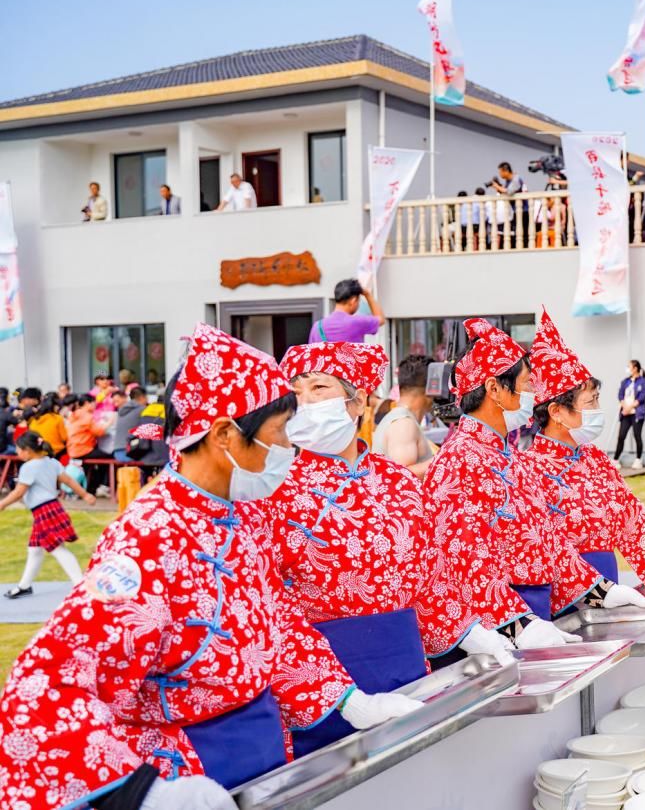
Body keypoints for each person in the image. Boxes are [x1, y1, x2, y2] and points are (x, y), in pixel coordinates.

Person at [0, 324, 418, 810]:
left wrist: (349, 699)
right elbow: (45, 686)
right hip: (189, 773)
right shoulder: (149, 538)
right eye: (279, 431)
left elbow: (275, 621)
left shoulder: (237, 516)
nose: (289, 447)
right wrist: (141, 792)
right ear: (224, 435)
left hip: (262, 755)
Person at [247, 341, 495, 757]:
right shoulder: (270, 488)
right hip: (322, 685)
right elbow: (267, 605)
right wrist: (341, 697)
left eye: (318, 388)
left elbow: (428, 575)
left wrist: (474, 634)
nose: (303, 402)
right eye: (296, 390)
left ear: (358, 400)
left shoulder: (397, 481)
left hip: (405, 666)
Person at [519, 310, 645, 599]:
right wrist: (597, 592)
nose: (597, 409)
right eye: (590, 402)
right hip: (565, 596)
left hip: (612, 587)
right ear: (556, 412)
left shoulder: (594, 458)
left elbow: (631, 518)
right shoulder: (529, 470)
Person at [422, 318, 582, 650]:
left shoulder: (512, 456)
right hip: (497, 629)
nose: (533, 393)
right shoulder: (456, 461)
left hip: (534, 616)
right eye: (526, 384)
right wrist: (517, 625)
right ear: (494, 389)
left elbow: (549, 540)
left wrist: (599, 590)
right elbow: (461, 559)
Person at [0, 432, 94, 599]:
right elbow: (70, 481)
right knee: (35, 549)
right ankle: (25, 585)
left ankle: (81, 585)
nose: (18, 453)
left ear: (28, 450)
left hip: (44, 511)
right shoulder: (52, 462)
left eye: (19, 450)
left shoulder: (28, 467)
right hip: (52, 508)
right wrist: (85, 495)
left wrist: (2, 504)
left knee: (58, 549)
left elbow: (19, 491)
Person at [372, 353, 438, 477]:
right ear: (431, 389)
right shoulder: (403, 423)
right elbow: (401, 476)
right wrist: (446, 459)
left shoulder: (401, 419)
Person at [311, 277, 386, 342]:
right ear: (353, 301)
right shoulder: (357, 322)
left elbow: (311, 354)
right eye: (358, 301)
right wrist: (368, 295)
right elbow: (381, 319)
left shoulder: (317, 326)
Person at [66, 393, 112, 496]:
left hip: (73, 449)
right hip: (83, 449)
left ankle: (91, 488)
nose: (95, 405)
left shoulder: (74, 414)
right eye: (93, 403)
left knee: (92, 464)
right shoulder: (87, 416)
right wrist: (109, 423)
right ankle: (105, 485)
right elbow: (99, 432)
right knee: (110, 457)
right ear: (87, 403)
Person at [615, 359, 645, 469]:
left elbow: (642, 396)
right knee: (621, 436)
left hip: (636, 413)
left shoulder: (643, 381)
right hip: (625, 413)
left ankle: (638, 460)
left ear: (635, 368)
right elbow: (620, 395)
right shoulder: (625, 381)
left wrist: (630, 407)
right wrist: (624, 406)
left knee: (637, 436)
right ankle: (615, 460)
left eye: (629, 366)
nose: (628, 369)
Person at [111, 385, 150, 462]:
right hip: (130, 452)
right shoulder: (143, 410)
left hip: (117, 453)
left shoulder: (122, 410)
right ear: (142, 397)